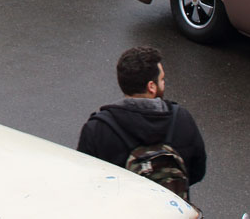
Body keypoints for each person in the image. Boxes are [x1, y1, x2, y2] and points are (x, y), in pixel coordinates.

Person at [76, 46, 207, 199]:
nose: (164, 83)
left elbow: (86, 181)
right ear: (151, 87)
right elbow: (197, 171)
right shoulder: (181, 119)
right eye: (162, 79)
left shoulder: (97, 129)